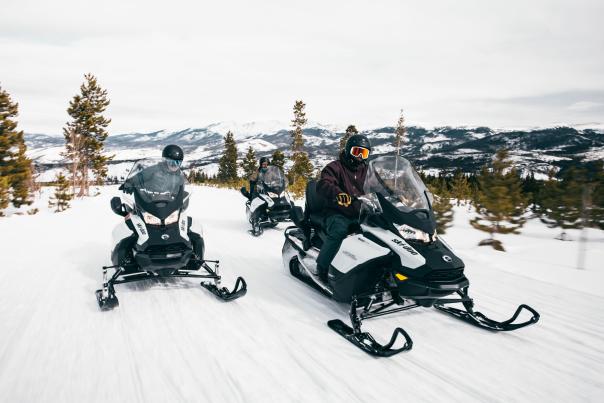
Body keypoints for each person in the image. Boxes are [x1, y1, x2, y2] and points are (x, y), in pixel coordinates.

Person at [315, 134, 372, 282]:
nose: (359, 156)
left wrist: (394, 195)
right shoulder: (335, 167)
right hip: (337, 212)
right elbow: (324, 184)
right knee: (339, 231)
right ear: (348, 150)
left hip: (361, 212)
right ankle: (322, 267)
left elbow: (379, 185)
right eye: (356, 151)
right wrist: (338, 194)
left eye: (363, 153)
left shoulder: (367, 170)